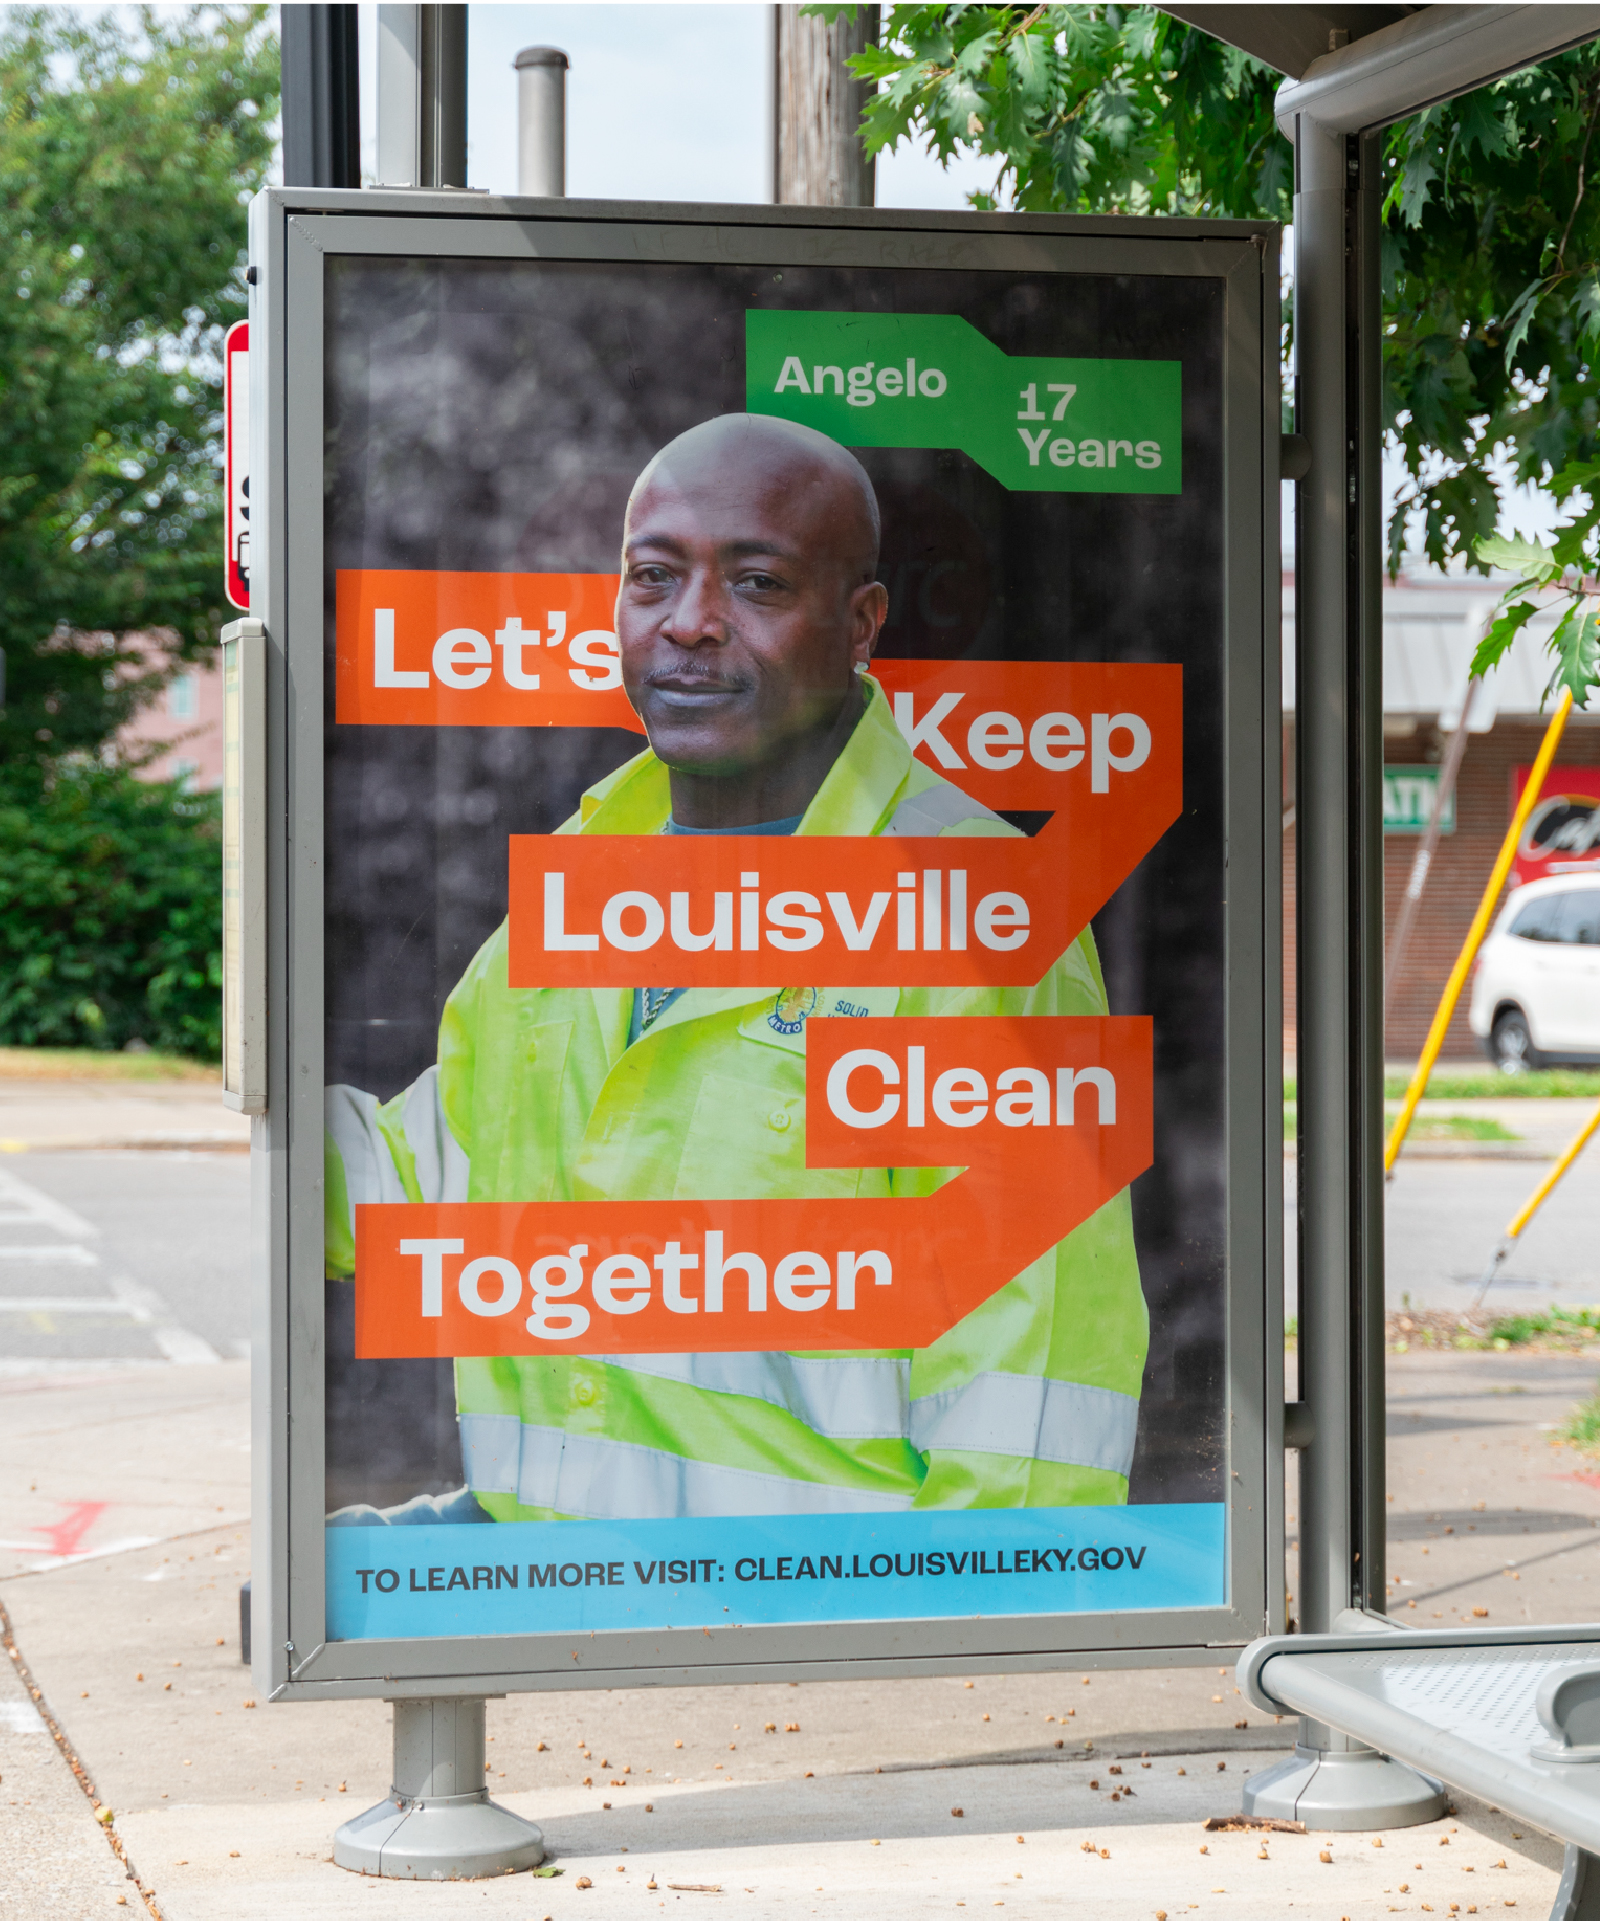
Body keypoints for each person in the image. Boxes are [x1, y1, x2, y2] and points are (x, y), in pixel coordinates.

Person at [325, 413, 1147, 1525]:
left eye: (756, 584)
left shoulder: (980, 916)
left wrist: (937, 1649)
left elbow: (1029, 1385)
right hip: (546, 1596)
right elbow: (444, 1171)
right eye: (653, 577)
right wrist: (268, 1128)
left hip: (812, 1641)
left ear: (860, 625)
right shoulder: (585, 868)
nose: (691, 625)